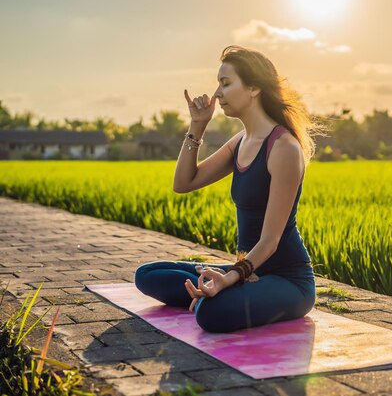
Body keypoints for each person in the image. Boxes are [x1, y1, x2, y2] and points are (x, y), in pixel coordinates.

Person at [134, 45, 328, 333]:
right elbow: (183, 183)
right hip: (247, 271)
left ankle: (225, 292)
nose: (216, 94)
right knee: (149, 275)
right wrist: (197, 126)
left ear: (253, 88)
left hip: (287, 281)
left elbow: (271, 240)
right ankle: (228, 288)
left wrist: (231, 277)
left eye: (225, 83)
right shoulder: (240, 142)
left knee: (211, 313)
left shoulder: (283, 147)